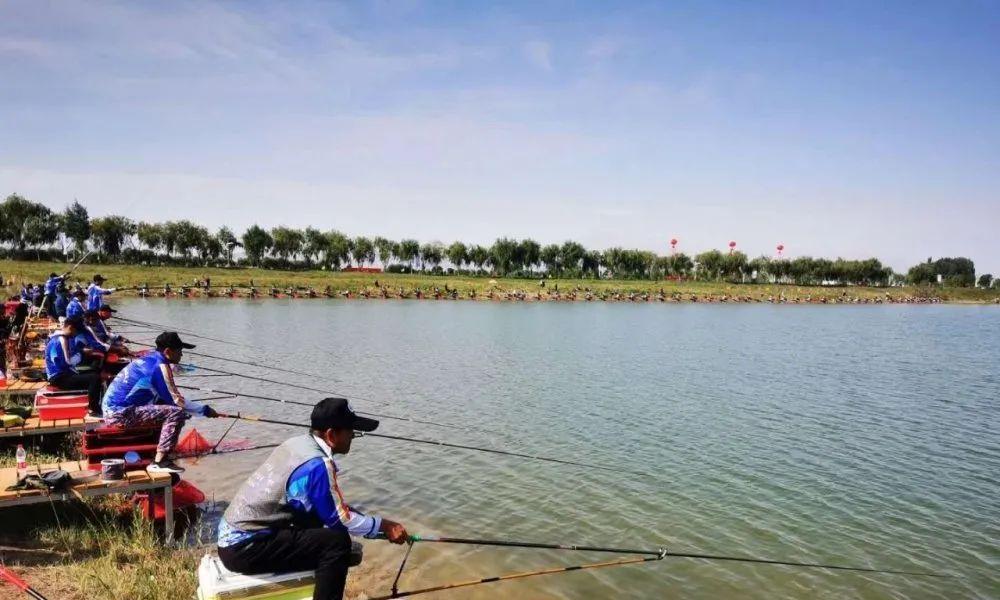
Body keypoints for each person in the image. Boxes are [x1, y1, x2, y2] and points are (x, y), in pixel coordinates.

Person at [217, 398, 408, 600]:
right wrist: (385, 526)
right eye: (351, 430)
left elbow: (329, 509)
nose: (353, 435)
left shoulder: (297, 444)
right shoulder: (319, 464)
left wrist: (373, 529)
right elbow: (339, 518)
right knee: (337, 543)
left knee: (322, 525)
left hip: (233, 539)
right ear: (331, 434)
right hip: (244, 548)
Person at [102, 332, 216, 474]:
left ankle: (162, 453)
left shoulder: (150, 358)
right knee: (177, 413)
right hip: (119, 414)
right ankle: (160, 461)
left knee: (174, 409)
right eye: (179, 351)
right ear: (168, 351)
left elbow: (166, 397)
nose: (181, 355)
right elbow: (176, 401)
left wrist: (194, 411)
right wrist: (205, 410)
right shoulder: (160, 366)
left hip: (112, 409)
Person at [44, 317, 103, 416]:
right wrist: (82, 354)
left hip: (67, 373)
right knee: (95, 378)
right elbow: (63, 363)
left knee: (96, 373)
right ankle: (94, 410)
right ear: (71, 327)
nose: (76, 334)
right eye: (76, 331)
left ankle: (94, 404)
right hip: (58, 377)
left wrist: (82, 352)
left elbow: (73, 355)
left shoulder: (67, 339)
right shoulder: (59, 341)